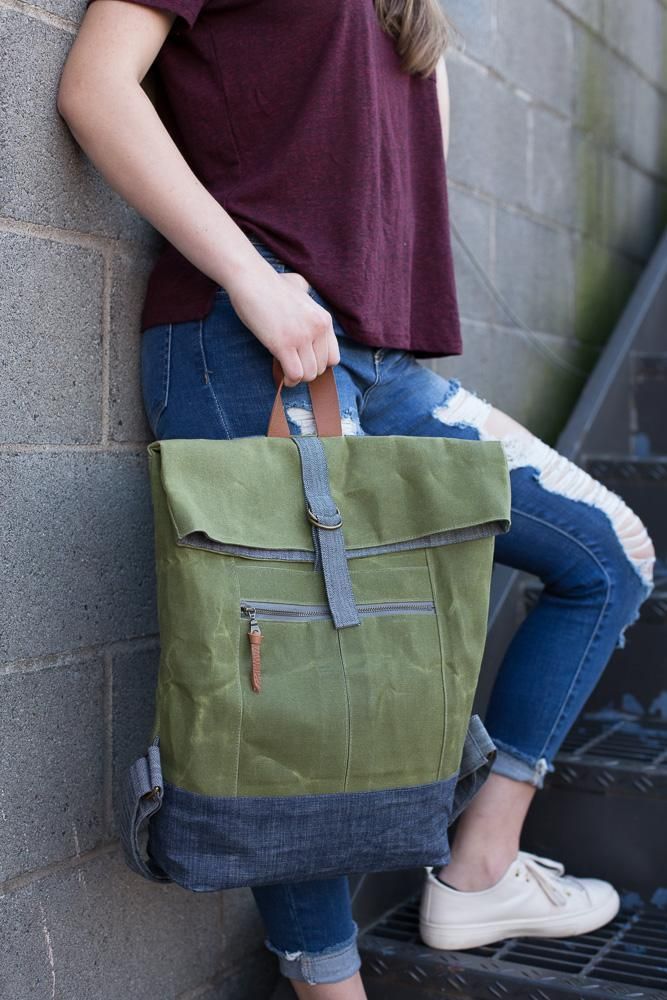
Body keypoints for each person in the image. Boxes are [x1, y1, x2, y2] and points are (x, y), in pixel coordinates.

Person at [57, 2, 656, 997]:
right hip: (249, 345)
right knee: (300, 690)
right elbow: (95, 85)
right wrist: (252, 279)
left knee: (609, 552)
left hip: (381, 364)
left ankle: (481, 867)